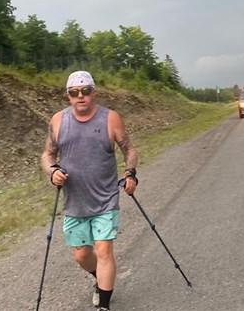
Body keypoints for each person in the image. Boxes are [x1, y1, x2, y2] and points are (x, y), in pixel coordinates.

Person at [41, 70, 139, 311]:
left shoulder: (110, 118)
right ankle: (100, 280)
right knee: (81, 255)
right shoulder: (58, 120)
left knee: (104, 249)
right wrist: (52, 171)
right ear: (68, 95)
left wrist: (130, 173)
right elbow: (47, 154)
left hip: (105, 198)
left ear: (94, 92)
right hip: (74, 202)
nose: (80, 96)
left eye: (85, 91)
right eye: (74, 92)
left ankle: (103, 306)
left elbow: (130, 150)